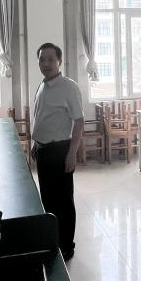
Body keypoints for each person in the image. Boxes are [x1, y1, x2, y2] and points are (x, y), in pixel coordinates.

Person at [31, 42, 84, 261]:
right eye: (42, 59)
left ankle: (67, 246)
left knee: (63, 202)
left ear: (59, 61)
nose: (46, 64)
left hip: (60, 152)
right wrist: (35, 143)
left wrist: (72, 153)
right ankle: (54, 240)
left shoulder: (68, 87)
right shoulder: (42, 85)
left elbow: (79, 121)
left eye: (51, 59)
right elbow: (41, 116)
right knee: (48, 199)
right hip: (43, 151)